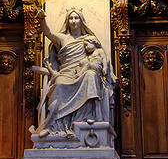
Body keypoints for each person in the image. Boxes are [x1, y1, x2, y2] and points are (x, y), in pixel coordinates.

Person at [32, 7, 117, 136]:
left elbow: (99, 54)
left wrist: (102, 68)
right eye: (70, 18)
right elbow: (48, 32)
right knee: (59, 85)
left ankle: (87, 117)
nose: (73, 21)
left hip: (82, 72)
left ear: (81, 20)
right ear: (67, 21)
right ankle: (56, 126)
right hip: (65, 73)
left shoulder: (88, 39)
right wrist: (42, 19)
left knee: (91, 76)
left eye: (76, 18)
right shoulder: (62, 38)